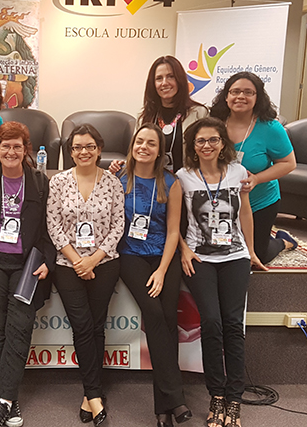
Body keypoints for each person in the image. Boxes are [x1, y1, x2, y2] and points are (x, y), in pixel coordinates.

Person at [176, 117, 267, 427]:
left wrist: (252, 251)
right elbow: (173, 221)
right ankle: (216, 393)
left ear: (223, 143)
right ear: (193, 146)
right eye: (200, 141)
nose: (207, 146)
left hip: (234, 256)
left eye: (213, 140)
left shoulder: (239, 174)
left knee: (232, 323)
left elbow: (246, 212)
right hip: (199, 259)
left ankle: (235, 397)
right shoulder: (183, 177)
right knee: (211, 323)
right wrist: (184, 249)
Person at [0, 121, 56, 427]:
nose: (11, 151)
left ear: (26, 150)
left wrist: (48, 259)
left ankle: (2, 399)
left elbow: (50, 227)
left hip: (27, 265)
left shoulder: (39, 182)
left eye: (17, 146)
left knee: (20, 328)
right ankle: (8, 397)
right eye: (5, 146)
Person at [47, 124, 125, 427]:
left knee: (96, 324)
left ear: (99, 148)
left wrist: (93, 259)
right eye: (77, 147)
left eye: (89, 146)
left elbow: (119, 225)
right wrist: (78, 260)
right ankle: (95, 393)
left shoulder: (112, 183)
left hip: (104, 262)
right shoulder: (59, 182)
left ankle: (89, 395)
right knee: (81, 325)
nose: (83, 152)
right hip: (67, 264)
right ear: (70, 151)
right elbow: (52, 224)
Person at [116, 124, 191, 427]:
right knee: (154, 313)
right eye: (139, 141)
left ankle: (163, 409)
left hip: (163, 254)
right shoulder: (118, 179)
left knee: (169, 319)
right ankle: (176, 398)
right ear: (132, 145)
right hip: (130, 255)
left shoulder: (170, 182)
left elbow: (174, 230)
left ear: (160, 151)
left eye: (151, 143)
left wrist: (162, 269)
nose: (143, 146)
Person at [210, 71, 298, 264]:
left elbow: (289, 163)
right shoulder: (214, 123)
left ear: (257, 97)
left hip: (259, 200)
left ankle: (284, 241)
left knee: (258, 255)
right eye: (235, 91)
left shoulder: (270, 128)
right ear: (226, 96)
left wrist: (257, 179)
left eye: (248, 92)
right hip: (221, 201)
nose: (241, 96)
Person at [111, 56, 208, 174]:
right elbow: (137, 155)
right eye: (159, 78)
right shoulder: (145, 117)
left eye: (170, 77)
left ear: (180, 80)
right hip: (153, 184)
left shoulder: (199, 113)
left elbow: (208, 153)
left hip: (188, 183)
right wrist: (121, 164)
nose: (164, 83)